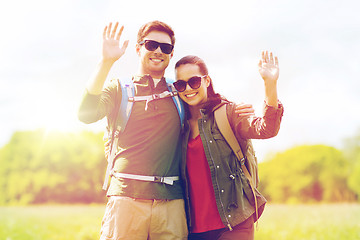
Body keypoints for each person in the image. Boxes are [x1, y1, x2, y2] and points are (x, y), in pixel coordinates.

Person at [78, 21, 188, 240]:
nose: (158, 51)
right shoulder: (119, 88)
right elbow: (86, 114)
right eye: (151, 44)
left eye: (165, 48)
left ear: (171, 53)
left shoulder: (181, 92)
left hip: (171, 202)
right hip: (126, 199)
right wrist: (106, 62)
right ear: (138, 48)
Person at [173, 53, 284, 240]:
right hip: (193, 229)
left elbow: (267, 129)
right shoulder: (178, 125)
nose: (188, 89)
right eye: (180, 84)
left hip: (235, 223)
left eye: (193, 81)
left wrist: (269, 84)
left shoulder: (228, 113)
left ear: (206, 80)